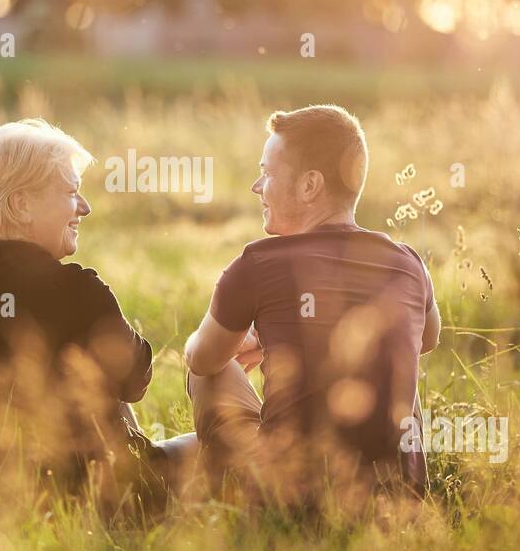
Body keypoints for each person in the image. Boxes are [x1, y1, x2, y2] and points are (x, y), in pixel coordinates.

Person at [0, 118, 196, 511]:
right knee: (216, 446)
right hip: (81, 500)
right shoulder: (76, 289)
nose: (85, 207)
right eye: (71, 192)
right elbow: (135, 379)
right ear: (20, 204)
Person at [183, 104, 440, 509]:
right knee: (396, 348)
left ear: (309, 186)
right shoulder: (407, 262)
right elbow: (428, 338)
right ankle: (399, 480)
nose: (256, 186)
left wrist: (244, 342)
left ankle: (228, 493)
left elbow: (201, 358)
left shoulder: (257, 263)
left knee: (211, 370)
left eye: (267, 173)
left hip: (287, 497)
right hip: (393, 503)